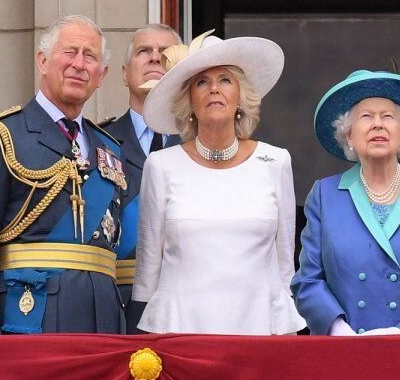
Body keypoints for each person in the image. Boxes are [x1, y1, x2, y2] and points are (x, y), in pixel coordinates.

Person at [0, 15, 129, 334]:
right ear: (43, 61)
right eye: (70, 52)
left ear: (101, 75)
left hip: (103, 324)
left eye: (89, 56)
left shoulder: (110, 149)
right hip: (30, 320)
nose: (79, 64)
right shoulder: (0, 138)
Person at [131, 31, 305, 335]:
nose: (214, 89)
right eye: (202, 82)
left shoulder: (276, 162)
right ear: (189, 102)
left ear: (240, 96)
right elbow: (148, 268)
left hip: (259, 329)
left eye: (225, 80)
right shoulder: (161, 165)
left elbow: (284, 268)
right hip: (180, 331)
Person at [292, 70, 400, 335]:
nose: (378, 124)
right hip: (345, 349)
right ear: (349, 136)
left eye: (388, 116)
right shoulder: (324, 195)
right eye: (366, 116)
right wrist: (337, 329)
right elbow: (307, 279)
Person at [98, 23, 181, 332]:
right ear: (123, 72)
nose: (155, 58)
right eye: (144, 51)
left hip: (189, 308)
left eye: (166, 53)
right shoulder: (96, 142)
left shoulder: (202, 145)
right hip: (119, 309)